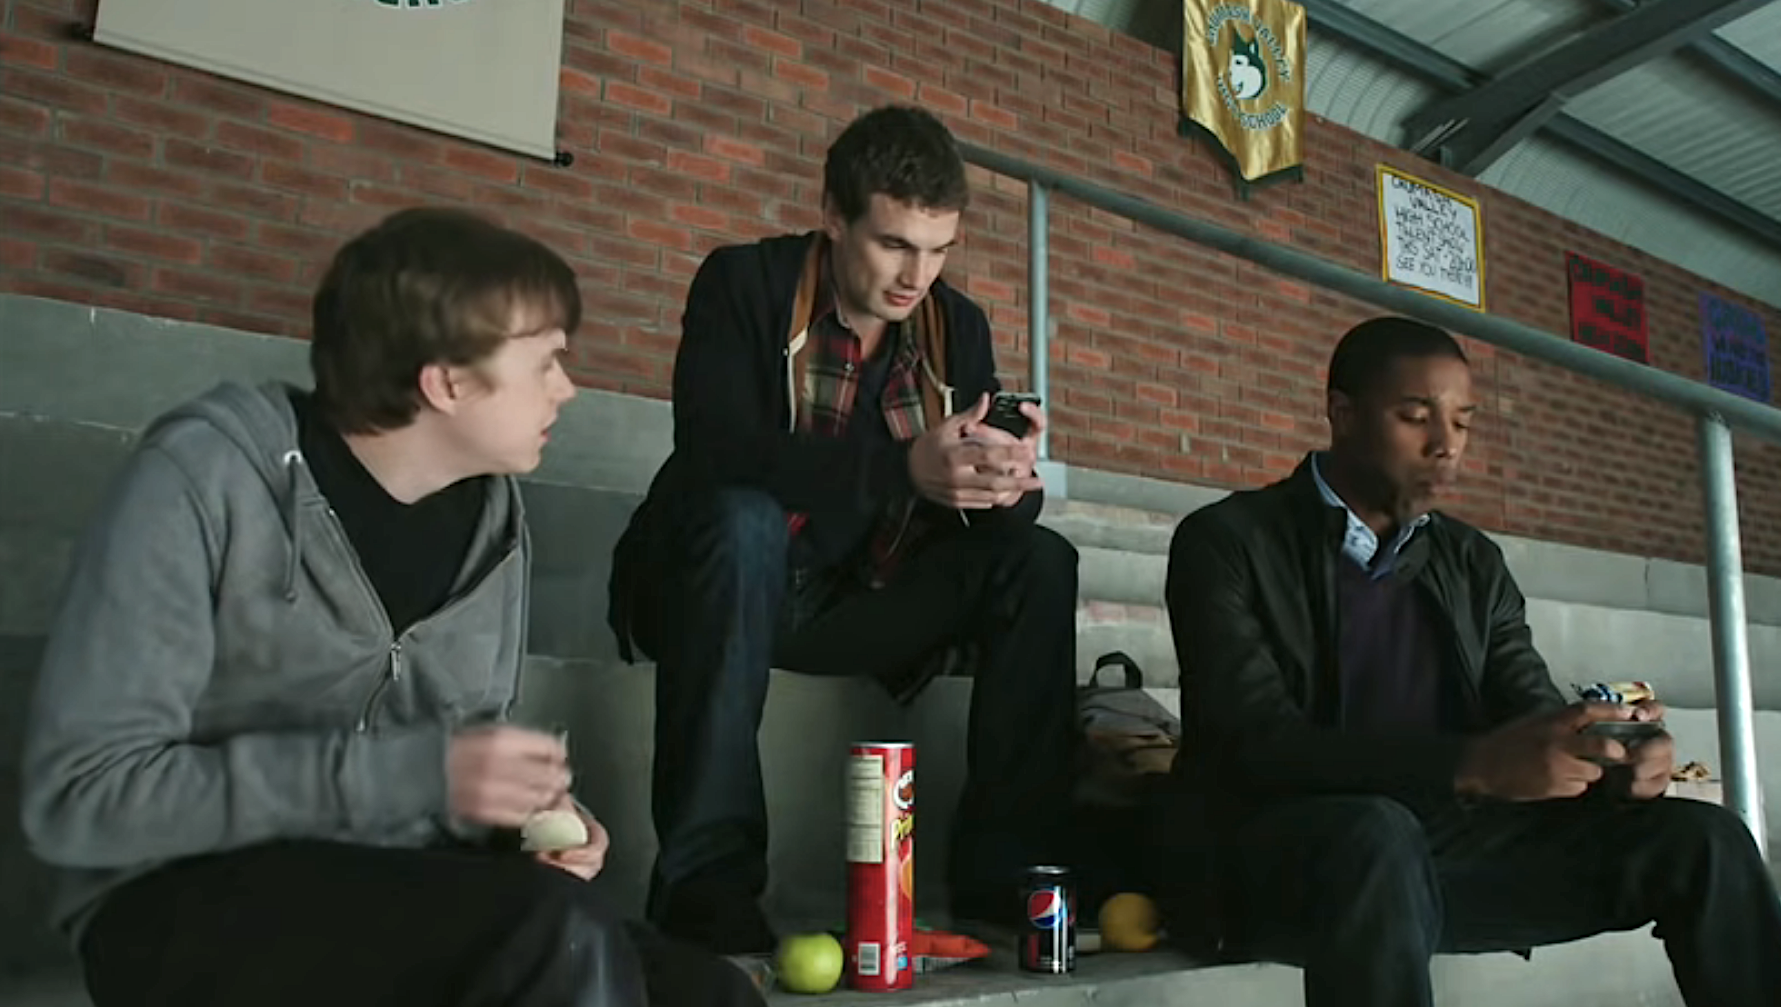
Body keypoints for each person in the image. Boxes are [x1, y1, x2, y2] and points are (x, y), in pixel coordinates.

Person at [19, 207, 761, 1007]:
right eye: (545, 361)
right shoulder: (206, 478)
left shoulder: (493, 522)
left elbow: (448, 767)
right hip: (175, 901)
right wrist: (419, 775)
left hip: (396, 887)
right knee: (554, 933)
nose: (568, 387)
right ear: (445, 381)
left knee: (706, 989)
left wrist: (524, 813)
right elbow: (83, 796)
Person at [1158, 316, 1781, 1007]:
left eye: (1463, 422)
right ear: (1341, 413)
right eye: (1414, 416)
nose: (1445, 445)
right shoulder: (1226, 541)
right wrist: (1470, 764)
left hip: (1454, 854)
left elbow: (1528, 707)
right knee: (1373, 830)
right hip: (1282, 863)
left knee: (1704, 837)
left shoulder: (1470, 560)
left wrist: (1608, 755)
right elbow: (1254, 744)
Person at [607, 105, 1078, 955]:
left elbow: (967, 484)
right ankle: (705, 882)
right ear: (832, 215)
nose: (916, 275)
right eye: (895, 244)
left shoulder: (953, 325)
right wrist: (902, 466)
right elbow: (714, 452)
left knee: (1040, 558)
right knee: (741, 516)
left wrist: (1007, 485)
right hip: (719, 580)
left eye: (938, 249)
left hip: (858, 596)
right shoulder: (743, 283)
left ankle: (1002, 865)